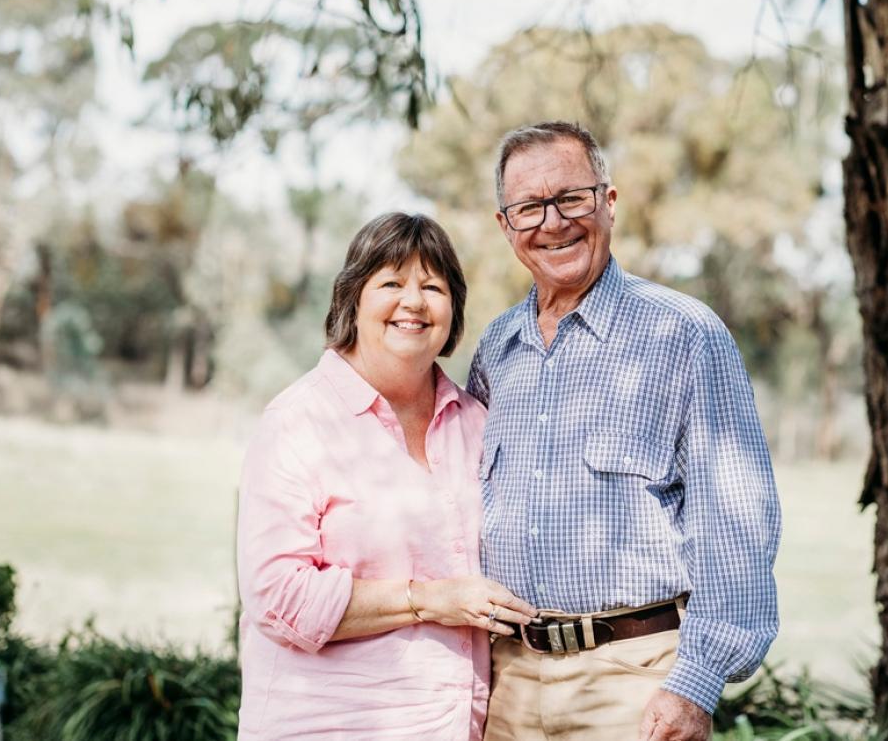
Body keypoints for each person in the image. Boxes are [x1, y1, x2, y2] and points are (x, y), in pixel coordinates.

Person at [467, 121, 782, 741]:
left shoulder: (685, 335)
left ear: (608, 202)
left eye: (572, 198)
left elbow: (735, 522)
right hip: (509, 683)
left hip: (634, 685)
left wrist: (694, 684)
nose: (552, 222)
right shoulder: (495, 350)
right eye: (529, 207)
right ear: (506, 226)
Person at [236, 212, 537, 740]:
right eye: (392, 283)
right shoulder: (298, 421)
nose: (414, 302)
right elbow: (278, 597)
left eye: (433, 286)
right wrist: (427, 598)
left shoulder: (478, 424)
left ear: (453, 308)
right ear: (353, 299)